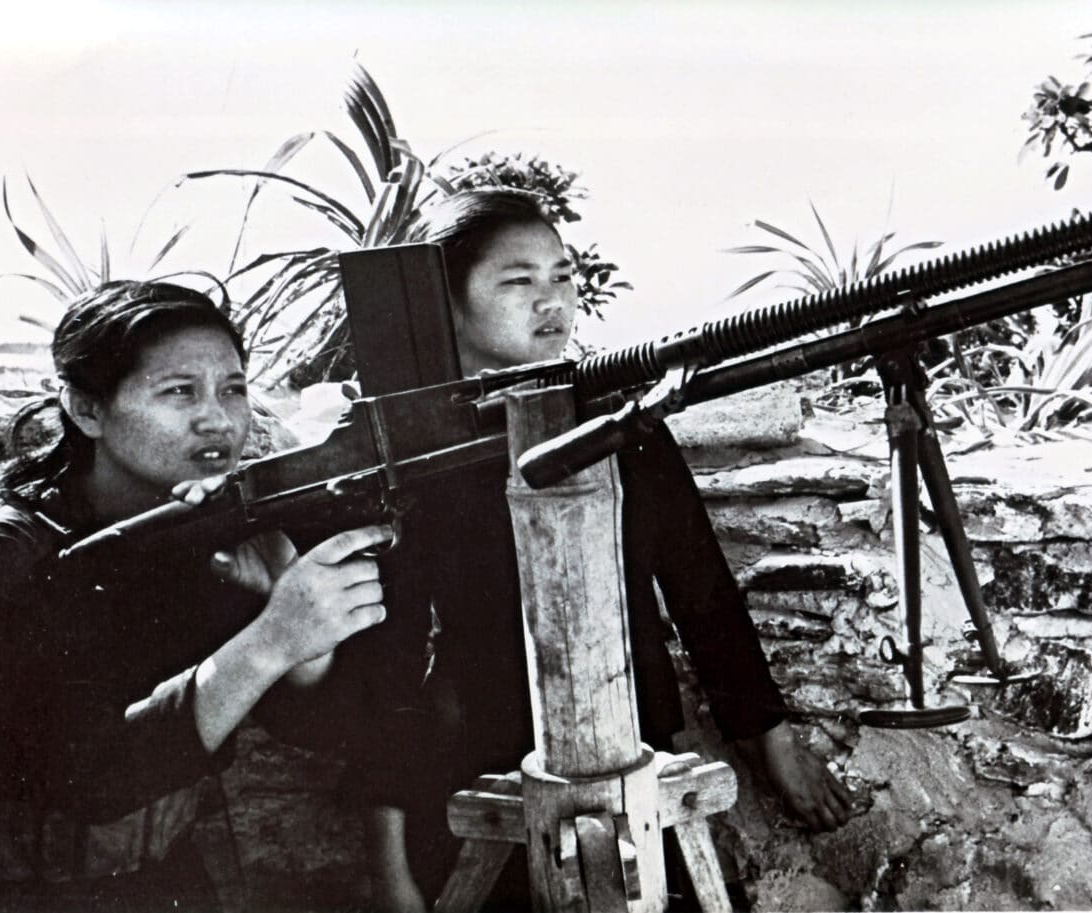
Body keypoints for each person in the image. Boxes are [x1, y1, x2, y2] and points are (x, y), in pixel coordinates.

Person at [340, 190, 852, 912]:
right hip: (478, 786)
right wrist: (389, 863)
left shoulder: (620, 424)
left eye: (563, 276)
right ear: (444, 304)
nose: (551, 301)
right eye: (518, 281)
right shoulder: (415, 457)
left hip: (634, 768)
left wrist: (773, 743)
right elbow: (385, 663)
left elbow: (702, 591)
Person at [0, 279, 390, 911]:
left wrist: (303, 641)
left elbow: (314, 730)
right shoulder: (10, 555)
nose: (218, 419)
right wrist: (269, 640)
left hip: (174, 883)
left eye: (233, 390)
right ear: (85, 409)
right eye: (179, 392)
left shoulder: (195, 523)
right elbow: (87, 778)